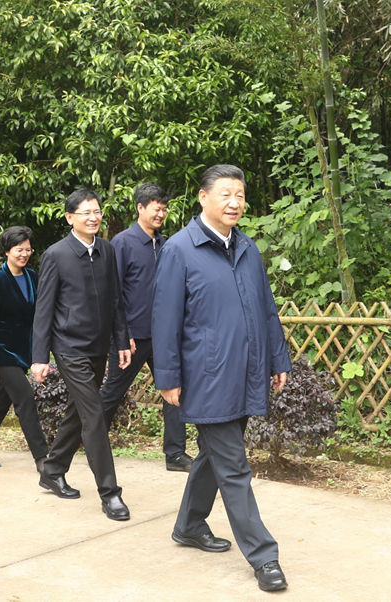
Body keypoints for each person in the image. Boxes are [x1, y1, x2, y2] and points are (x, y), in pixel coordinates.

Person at [152, 164, 292, 592]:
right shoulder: (179, 249)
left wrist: (278, 359)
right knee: (234, 466)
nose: (234, 203)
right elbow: (164, 320)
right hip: (205, 377)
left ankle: (189, 525)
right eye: (225, 194)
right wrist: (168, 376)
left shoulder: (247, 248)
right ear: (203, 197)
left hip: (245, 371)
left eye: (240, 195)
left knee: (213, 456)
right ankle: (264, 557)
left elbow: (266, 310)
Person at [31, 188, 132, 521]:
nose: (93, 217)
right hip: (69, 347)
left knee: (79, 410)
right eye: (86, 212)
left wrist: (121, 341)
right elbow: (44, 308)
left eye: (97, 211)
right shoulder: (57, 254)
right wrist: (39, 356)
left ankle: (53, 469)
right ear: (69, 217)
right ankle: (110, 493)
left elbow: (116, 300)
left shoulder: (106, 250)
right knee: (94, 414)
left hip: (98, 346)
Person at [100, 183, 191, 472]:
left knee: (174, 390)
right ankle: (91, 442)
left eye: (164, 209)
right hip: (132, 337)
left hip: (163, 336)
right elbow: (112, 293)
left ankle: (175, 455)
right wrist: (123, 334)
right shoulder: (122, 243)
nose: (161, 214)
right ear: (140, 208)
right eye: (156, 208)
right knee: (112, 392)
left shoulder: (166, 244)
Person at [0, 226, 49, 472]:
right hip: (2, 350)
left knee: (1, 400)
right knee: (25, 398)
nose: (24, 254)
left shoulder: (32, 276)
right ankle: (42, 457)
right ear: (7, 251)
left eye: (28, 249)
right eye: (19, 249)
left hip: (24, 350)